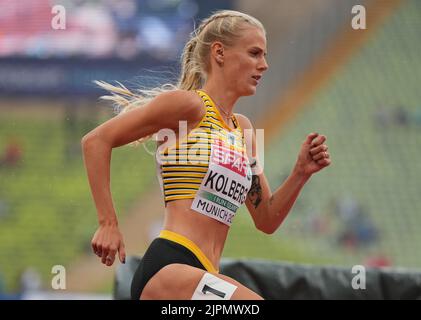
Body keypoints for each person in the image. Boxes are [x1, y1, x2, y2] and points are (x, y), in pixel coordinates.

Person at [81, 10, 331, 300]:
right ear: (219, 52)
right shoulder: (188, 107)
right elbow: (96, 141)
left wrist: (300, 173)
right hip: (169, 267)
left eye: (265, 55)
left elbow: (266, 219)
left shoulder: (243, 130)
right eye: (254, 53)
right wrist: (108, 223)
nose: (264, 65)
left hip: (204, 272)